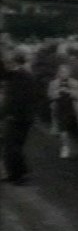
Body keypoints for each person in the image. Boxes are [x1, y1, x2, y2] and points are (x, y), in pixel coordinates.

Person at [1, 52, 37, 184]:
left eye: (6, 63)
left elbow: (15, 100)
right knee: (11, 147)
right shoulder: (16, 74)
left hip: (20, 118)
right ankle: (14, 174)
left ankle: (22, 175)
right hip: (17, 117)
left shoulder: (23, 77)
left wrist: (5, 114)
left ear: (13, 63)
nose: (4, 66)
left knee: (13, 147)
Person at [48, 64, 78, 158]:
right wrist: (58, 92)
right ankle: (65, 147)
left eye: (65, 72)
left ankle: (72, 147)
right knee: (63, 129)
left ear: (69, 73)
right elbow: (50, 95)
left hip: (72, 109)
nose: (63, 74)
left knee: (71, 129)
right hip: (60, 108)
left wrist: (69, 91)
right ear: (58, 73)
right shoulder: (53, 83)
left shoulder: (74, 82)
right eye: (61, 72)